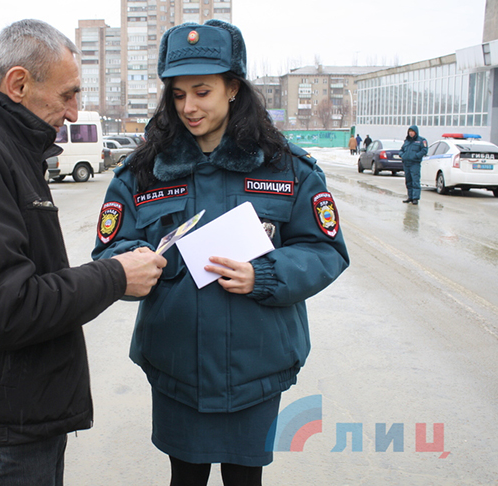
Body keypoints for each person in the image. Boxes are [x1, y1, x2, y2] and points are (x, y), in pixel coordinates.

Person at [0, 19, 167, 485]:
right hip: (3, 434)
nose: (74, 110)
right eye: (67, 95)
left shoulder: (3, 149)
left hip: (3, 417)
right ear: (18, 83)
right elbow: (7, 306)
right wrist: (116, 276)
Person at [91, 20, 349, 486]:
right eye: (178, 94)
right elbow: (111, 248)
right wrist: (137, 265)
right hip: (176, 369)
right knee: (184, 478)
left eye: (203, 91)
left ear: (233, 88)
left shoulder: (287, 168)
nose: (189, 107)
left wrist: (265, 275)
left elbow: (324, 249)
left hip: (256, 370)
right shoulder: (143, 172)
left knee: (245, 478)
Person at [398, 125, 428, 205]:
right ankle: (410, 197)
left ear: (416, 132)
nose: (411, 133)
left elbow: (424, 150)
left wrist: (416, 156)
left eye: (412, 132)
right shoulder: (407, 141)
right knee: (408, 181)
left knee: (415, 180)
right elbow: (401, 150)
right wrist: (402, 155)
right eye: (410, 132)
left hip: (415, 164)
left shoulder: (421, 140)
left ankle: (415, 198)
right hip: (406, 163)